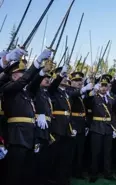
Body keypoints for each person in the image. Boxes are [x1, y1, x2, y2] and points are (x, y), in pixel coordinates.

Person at [1, 48, 52, 185]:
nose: (24, 76)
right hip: (17, 134)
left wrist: (41, 72)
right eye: (21, 73)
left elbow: (33, 84)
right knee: (14, 172)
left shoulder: (26, 92)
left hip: (29, 133)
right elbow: (24, 81)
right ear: (13, 76)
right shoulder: (9, 89)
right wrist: (37, 61)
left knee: (26, 170)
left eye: (24, 73)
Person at [87, 75, 116, 182]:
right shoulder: (94, 97)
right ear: (98, 87)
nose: (104, 88)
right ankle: (93, 174)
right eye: (101, 86)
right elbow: (87, 103)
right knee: (95, 152)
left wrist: (114, 128)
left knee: (107, 152)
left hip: (108, 128)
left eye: (105, 86)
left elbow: (113, 114)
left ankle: (107, 173)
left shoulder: (110, 99)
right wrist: (91, 91)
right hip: (97, 127)